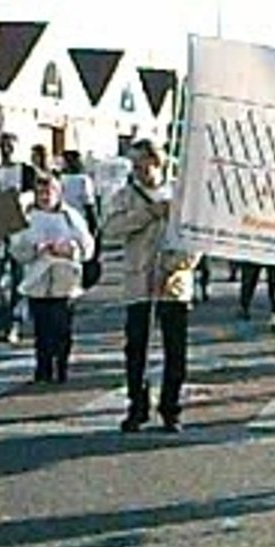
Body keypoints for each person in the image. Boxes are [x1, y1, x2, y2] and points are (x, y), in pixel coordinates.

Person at [101, 138, 200, 433]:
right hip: (139, 281)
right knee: (136, 349)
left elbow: (195, 239)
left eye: (143, 165)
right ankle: (138, 405)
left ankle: (171, 408)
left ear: (157, 162)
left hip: (173, 284)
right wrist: (146, 214)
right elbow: (110, 229)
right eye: (134, 166)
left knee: (175, 350)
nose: (138, 171)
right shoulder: (125, 196)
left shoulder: (180, 194)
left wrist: (174, 267)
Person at [10, 174, 95, 384]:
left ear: (59, 193)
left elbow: (87, 247)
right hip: (37, 282)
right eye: (41, 193)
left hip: (65, 282)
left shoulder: (71, 217)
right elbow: (17, 249)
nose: (45, 197)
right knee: (42, 329)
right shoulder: (28, 218)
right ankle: (43, 368)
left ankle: (61, 366)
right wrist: (36, 249)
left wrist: (69, 250)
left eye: (50, 192)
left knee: (62, 328)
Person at [0, 131, 38, 344]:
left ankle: (13, 324)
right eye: (3, 146)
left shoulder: (28, 172)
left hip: (21, 231)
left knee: (19, 278)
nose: (6, 150)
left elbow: (36, 195)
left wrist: (23, 200)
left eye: (10, 146)